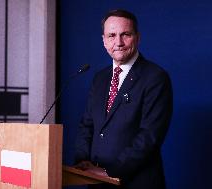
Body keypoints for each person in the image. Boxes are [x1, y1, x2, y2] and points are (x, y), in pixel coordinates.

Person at [74, 9, 173, 189]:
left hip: (136, 182)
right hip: (96, 181)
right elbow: (87, 124)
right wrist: (82, 161)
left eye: (125, 34)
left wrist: (111, 172)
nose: (118, 42)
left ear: (137, 37)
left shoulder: (155, 77)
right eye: (111, 35)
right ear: (104, 41)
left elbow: (149, 136)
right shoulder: (100, 78)